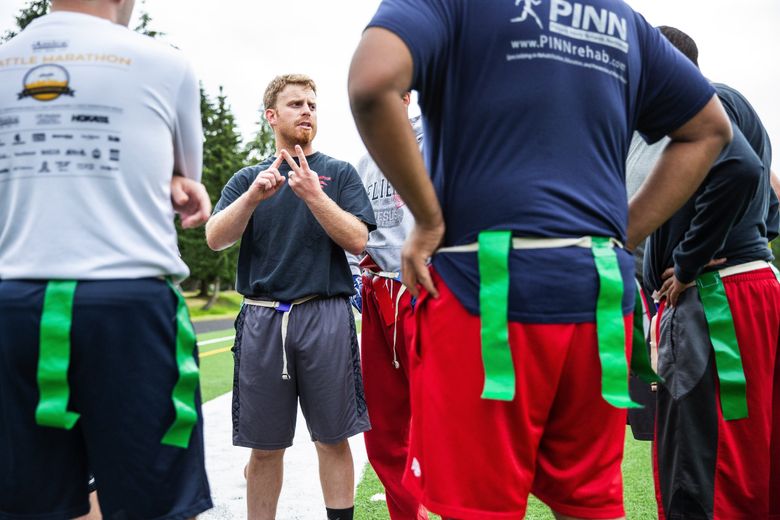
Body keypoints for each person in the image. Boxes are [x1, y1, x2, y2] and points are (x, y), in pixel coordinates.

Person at [348, 1, 733, 518]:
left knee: (478, 505)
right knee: (588, 502)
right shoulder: (622, 18)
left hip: (482, 287)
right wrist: (618, 232)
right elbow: (710, 129)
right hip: (597, 288)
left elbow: (372, 85)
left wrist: (429, 217)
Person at [0, 0, 213, 518]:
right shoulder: (164, 63)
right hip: (127, 302)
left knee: (30, 506)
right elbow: (183, 177)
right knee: (152, 505)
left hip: (13, 301)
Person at [206, 74, 376, 520]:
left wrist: (314, 196)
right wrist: (252, 198)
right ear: (271, 115)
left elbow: (358, 241)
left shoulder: (338, 174)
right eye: (296, 103)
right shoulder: (249, 177)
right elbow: (215, 238)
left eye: (313, 105)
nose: (307, 111)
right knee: (264, 448)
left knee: (332, 438)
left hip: (326, 315)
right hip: (263, 319)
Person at [638, 27, 780, 520]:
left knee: (698, 460)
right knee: (751, 449)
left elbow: (739, 170)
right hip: (752, 285)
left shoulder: (704, 107)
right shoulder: (733, 102)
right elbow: (771, 203)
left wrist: (691, 258)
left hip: (712, 299)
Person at [348, 92, 428, 520]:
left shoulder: (432, 141)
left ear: (407, 97)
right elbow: (352, 230)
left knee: (442, 426)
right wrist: (354, 280)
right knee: (381, 431)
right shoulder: (362, 163)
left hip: (425, 294)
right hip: (376, 297)